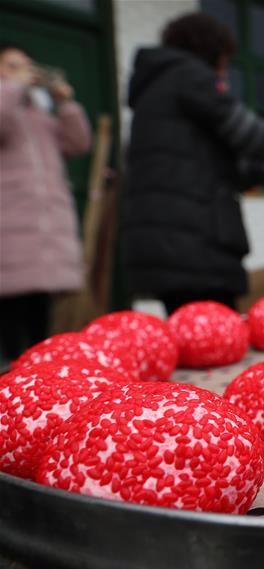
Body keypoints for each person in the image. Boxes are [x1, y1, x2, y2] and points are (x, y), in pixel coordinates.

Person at [122, 13, 264, 314]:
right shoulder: (188, 76)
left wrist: (262, 168)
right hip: (193, 245)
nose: (225, 73)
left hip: (170, 241)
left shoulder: (160, 90)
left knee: (189, 331)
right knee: (215, 335)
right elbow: (241, 124)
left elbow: (215, 170)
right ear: (213, 52)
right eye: (225, 62)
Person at [0, 43, 92, 364]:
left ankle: (38, 376)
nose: (23, 71)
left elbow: (78, 142)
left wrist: (64, 103)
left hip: (44, 229)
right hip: (9, 225)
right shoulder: (6, 104)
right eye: (12, 65)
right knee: (9, 306)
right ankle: (12, 380)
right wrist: (12, 86)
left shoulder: (38, 115)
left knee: (39, 308)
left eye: (25, 65)